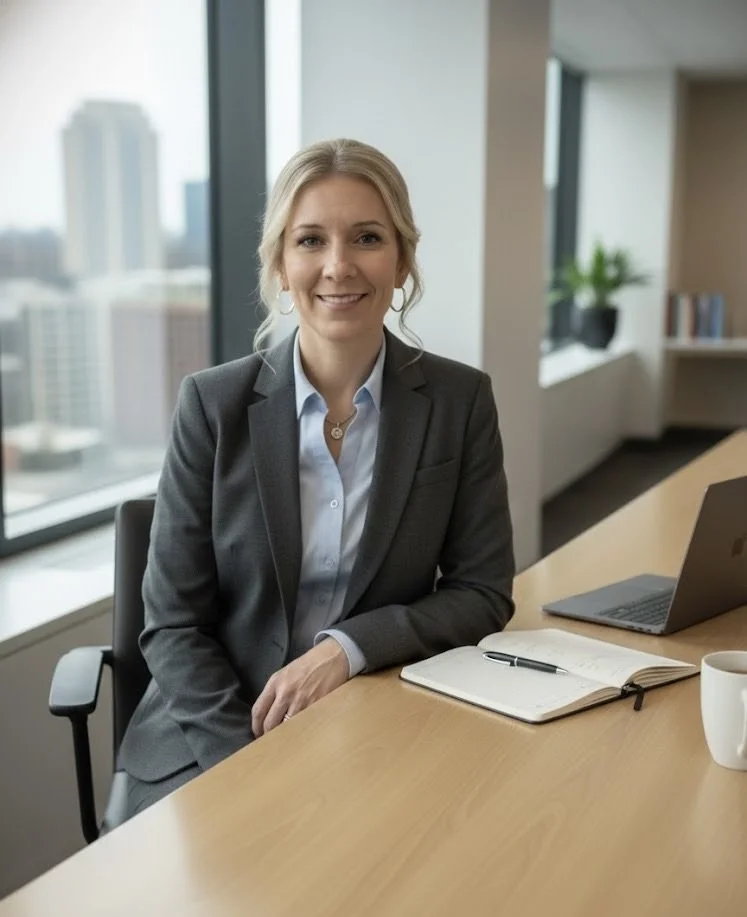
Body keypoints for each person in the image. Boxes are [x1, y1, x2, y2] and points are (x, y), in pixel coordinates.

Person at [118, 138, 515, 819]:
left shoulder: (459, 400)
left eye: (366, 237)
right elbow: (172, 626)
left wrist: (348, 648)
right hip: (212, 731)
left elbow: (482, 591)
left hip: (380, 720)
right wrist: (249, 759)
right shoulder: (211, 406)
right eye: (309, 240)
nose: (338, 266)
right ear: (279, 263)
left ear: (401, 261)